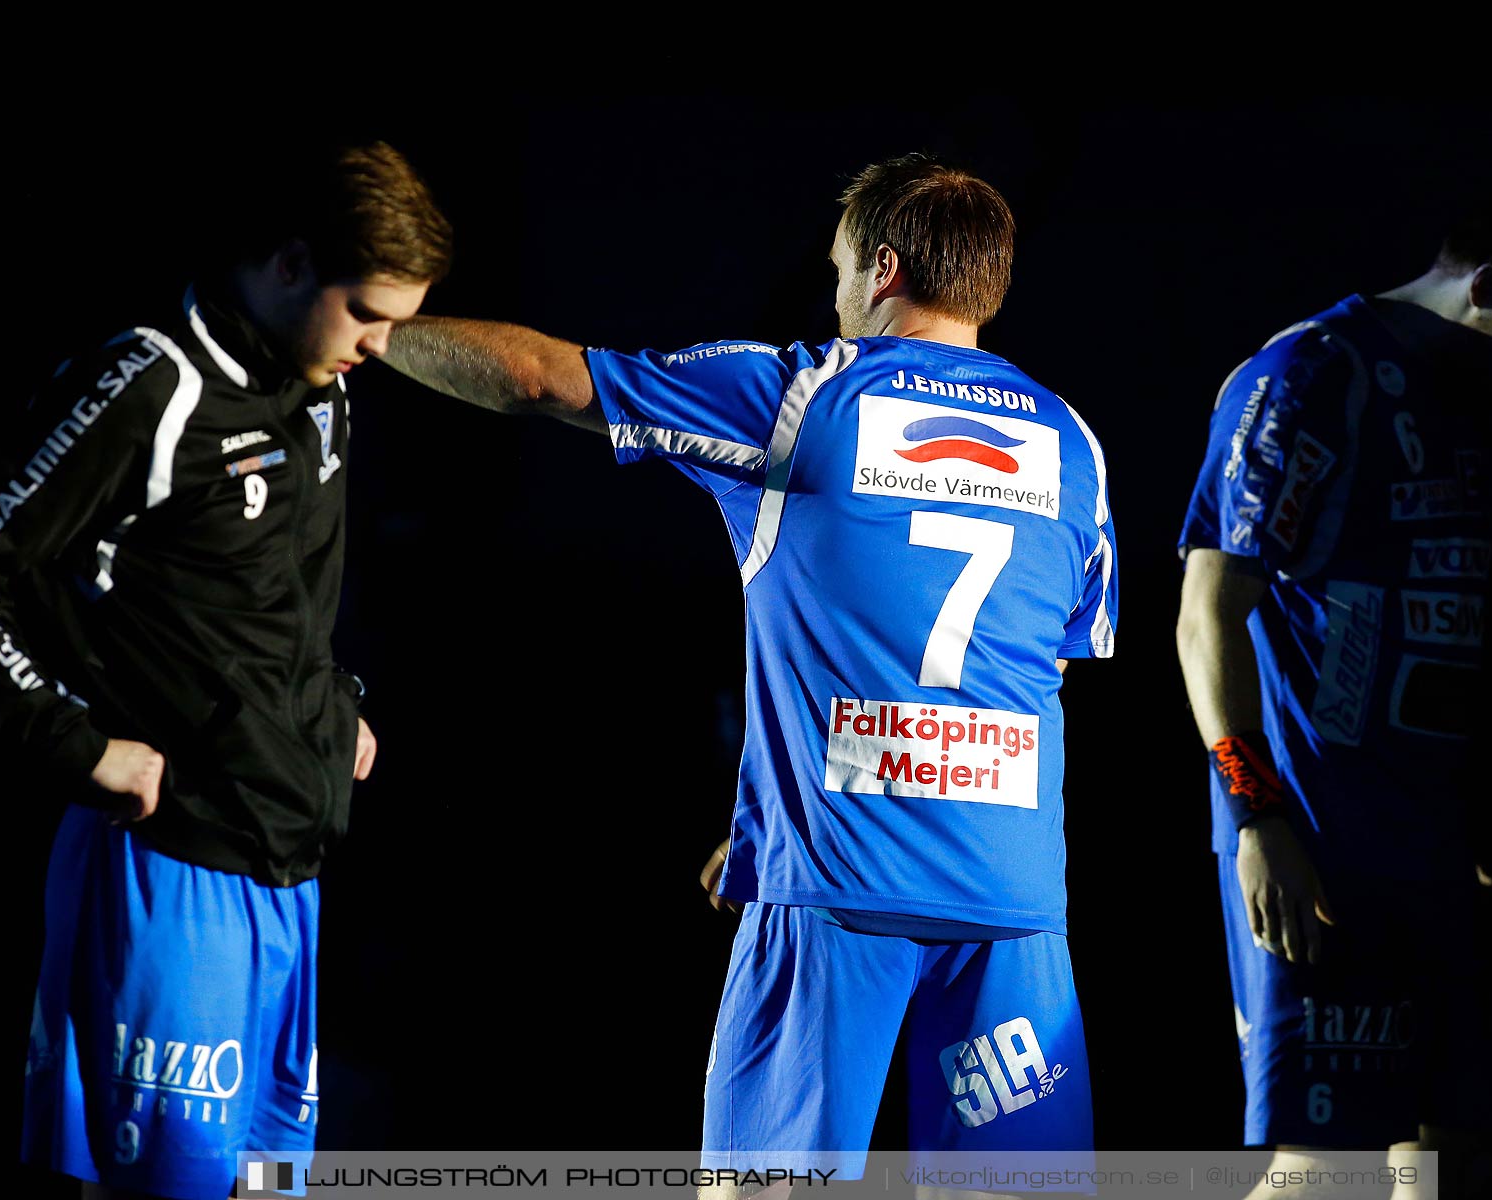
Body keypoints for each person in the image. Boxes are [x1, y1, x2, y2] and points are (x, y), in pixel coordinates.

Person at [378, 155, 1117, 1185]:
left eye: (839, 270)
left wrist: (368, 332)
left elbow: (543, 377)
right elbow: (1031, 661)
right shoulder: (1074, 446)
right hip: (1011, 897)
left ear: (884, 269)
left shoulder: (804, 393)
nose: (835, 293)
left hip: (833, 893)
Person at [0, 141, 451, 1199]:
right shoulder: (151, 380)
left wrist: (332, 704)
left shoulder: (324, 393)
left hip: (291, 859)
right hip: (168, 861)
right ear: (286, 265)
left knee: (259, 1186)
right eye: (366, 312)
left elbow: (288, 600)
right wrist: (74, 745)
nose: (381, 344)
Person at [1174, 206, 1492, 1198]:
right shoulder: (1309, 377)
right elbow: (1205, 614)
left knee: (1453, 1158)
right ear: (1486, 288)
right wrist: (1257, 814)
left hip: (1434, 851)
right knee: (1320, 1169)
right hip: (1319, 845)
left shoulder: (1460, 403)